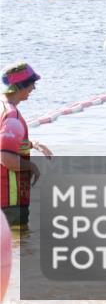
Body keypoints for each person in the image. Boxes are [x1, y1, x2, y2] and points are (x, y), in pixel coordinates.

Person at [1, 62, 52, 227]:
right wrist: (31, 167)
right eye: (32, 83)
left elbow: (7, 142)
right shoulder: (11, 116)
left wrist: (33, 144)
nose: (34, 88)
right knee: (18, 238)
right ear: (20, 85)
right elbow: (6, 158)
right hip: (10, 200)